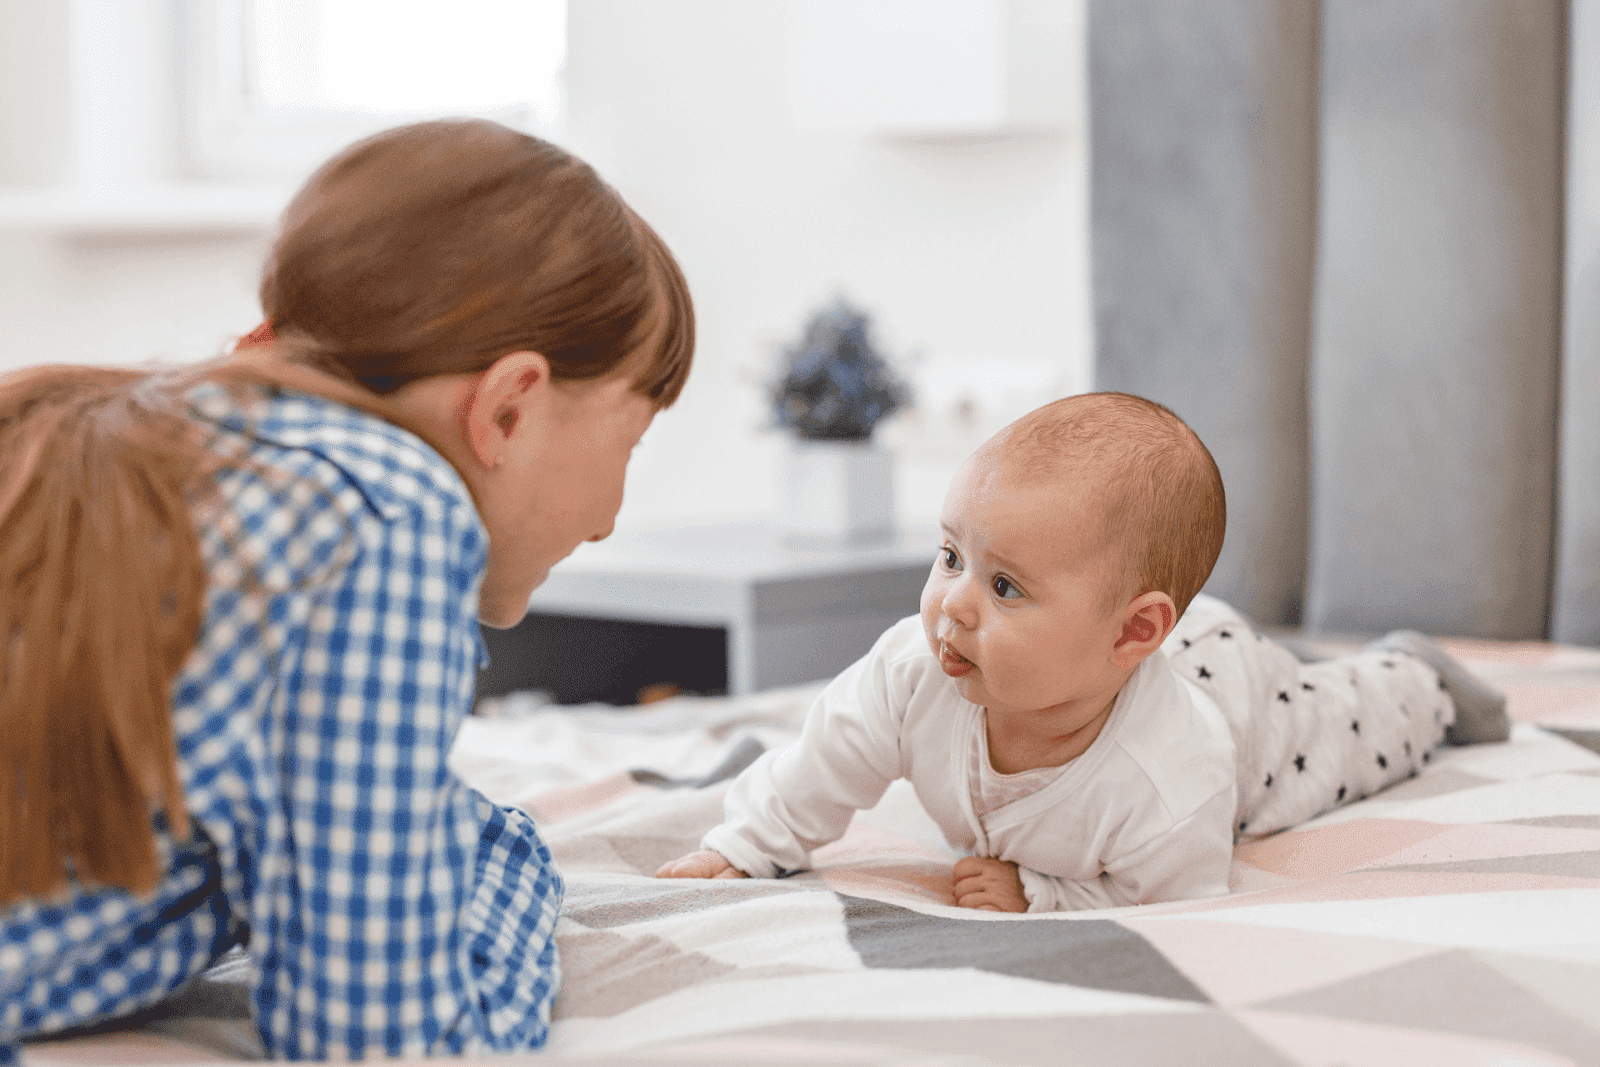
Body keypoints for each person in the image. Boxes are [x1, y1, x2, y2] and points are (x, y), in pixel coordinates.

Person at [0, 118, 693, 1060]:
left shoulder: (148, 430)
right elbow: (385, 1043)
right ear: (508, 408)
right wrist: (506, 868)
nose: (609, 517)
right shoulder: (382, 516)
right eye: (631, 442)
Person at [657, 393, 1508, 911]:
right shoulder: (913, 670)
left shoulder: (1174, 774)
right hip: (1157, 642)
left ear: (1134, 632)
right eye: (952, 556)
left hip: (1232, 699)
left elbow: (1179, 898)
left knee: (1341, 730)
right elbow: (822, 760)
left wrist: (1046, 892)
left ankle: (1415, 670)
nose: (953, 601)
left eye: (1005, 587)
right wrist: (744, 844)